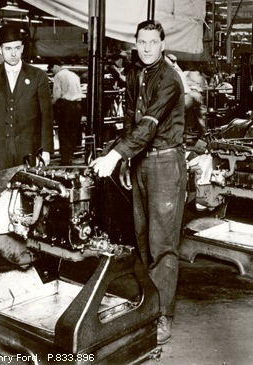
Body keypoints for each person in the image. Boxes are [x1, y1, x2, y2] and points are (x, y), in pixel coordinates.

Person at [92, 20, 186, 346]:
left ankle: (163, 318)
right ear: (136, 43)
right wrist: (121, 156)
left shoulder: (170, 79)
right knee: (143, 238)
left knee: (163, 245)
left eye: (152, 42)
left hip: (165, 163)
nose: (146, 48)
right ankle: (150, 305)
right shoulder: (136, 74)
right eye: (141, 42)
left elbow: (148, 124)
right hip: (142, 162)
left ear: (162, 44)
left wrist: (116, 155)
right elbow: (131, 120)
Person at [0, 24, 54, 171]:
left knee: (28, 191)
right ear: (0, 50)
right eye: (8, 49)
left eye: (17, 48)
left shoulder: (38, 76)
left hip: (28, 149)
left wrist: (46, 149)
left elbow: (46, 114)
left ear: (22, 48)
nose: (13, 53)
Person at [50, 62, 82, 165]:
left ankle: (65, 161)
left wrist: (51, 102)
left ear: (55, 66)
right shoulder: (74, 75)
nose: (52, 72)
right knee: (73, 133)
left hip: (65, 106)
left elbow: (56, 95)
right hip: (77, 106)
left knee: (64, 134)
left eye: (51, 70)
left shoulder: (58, 75)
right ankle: (72, 156)